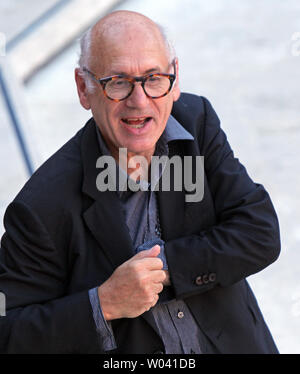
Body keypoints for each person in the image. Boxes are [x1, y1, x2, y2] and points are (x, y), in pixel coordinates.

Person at [0, 10, 280, 354]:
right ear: (83, 88)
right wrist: (103, 304)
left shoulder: (197, 123)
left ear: (174, 80)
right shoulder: (42, 204)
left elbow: (259, 232)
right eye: (118, 82)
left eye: (153, 78)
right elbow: (8, 332)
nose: (139, 100)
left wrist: (167, 269)